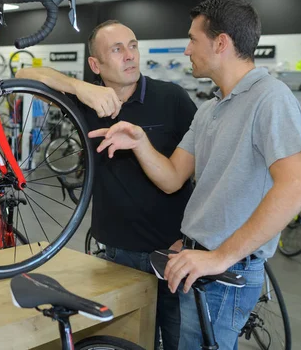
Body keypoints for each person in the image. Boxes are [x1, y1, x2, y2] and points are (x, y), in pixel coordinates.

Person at [88, 0, 301, 349]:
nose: (188, 49)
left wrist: (220, 255)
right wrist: (141, 141)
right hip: (194, 264)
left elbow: (296, 188)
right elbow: (173, 176)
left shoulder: (271, 98)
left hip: (226, 272)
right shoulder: (210, 109)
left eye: (193, 39)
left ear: (220, 43)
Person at [16, 20, 197, 350]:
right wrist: (78, 87)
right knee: (124, 341)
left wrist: (190, 240)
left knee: (178, 341)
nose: (129, 55)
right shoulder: (87, 101)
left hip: (171, 253)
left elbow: (201, 171)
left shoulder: (172, 98)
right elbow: (24, 74)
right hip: (114, 253)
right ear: (95, 65)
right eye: (117, 49)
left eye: (132, 45)